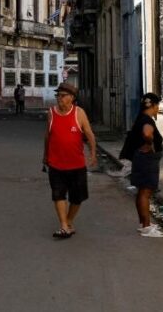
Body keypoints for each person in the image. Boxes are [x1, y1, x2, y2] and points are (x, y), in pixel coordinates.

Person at [42, 82, 97, 239]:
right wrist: (45, 155)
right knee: (58, 195)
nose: (59, 98)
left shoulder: (79, 113)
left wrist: (93, 153)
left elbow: (89, 134)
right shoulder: (51, 113)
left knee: (77, 197)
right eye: (58, 95)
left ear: (71, 98)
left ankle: (69, 221)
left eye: (63, 95)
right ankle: (64, 226)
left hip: (76, 165)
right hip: (56, 164)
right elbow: (47, 136)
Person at [125, 93, 163, 238]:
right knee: (145, 192)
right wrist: (150, 144)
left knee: (142, 191)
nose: (158, 109)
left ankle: (144, 223)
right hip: (147, 160)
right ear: (153, 106)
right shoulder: (147, 120)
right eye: (157, 106)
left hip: (142, 159)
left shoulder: (141, 118)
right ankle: (147, 227)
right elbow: (147, 134)